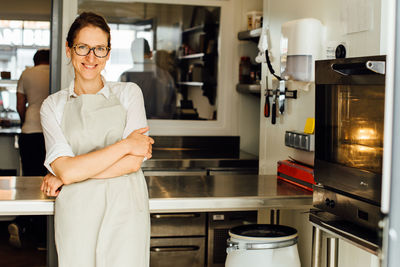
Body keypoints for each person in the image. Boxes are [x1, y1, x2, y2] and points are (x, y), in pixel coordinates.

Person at [39, 12, 153, 267]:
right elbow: (67, 170)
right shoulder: (52, 106)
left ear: (108, 53)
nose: (91, 57)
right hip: (77, 212)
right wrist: (125, 146)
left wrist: (72, 173)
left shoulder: (129, 93)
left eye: (100, 49)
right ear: (69, 50)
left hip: (126, 209)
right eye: (83, 48)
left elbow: (132, 164)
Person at [120, 38, 176, 119]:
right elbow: (172, 107)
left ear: (133, 54)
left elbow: (120, 107)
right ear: (151, 54)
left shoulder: (125, 76)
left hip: (134, 127)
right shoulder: (167, 76)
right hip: (163, 126)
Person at [17, 49, 50, 176]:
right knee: (49, 174)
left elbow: (20, 104)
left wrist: (24, 121)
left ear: (35, 61)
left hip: (30, 130)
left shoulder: (26, 74)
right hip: (51, 131)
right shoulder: (56, 73)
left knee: (30, 174)